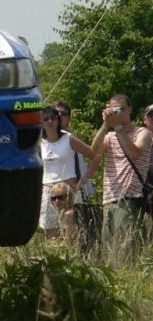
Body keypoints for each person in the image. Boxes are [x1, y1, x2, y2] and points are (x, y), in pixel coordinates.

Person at [90, 94, 152, 261]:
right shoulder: (110, 136)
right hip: (109, 199)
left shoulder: (143, 133)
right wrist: (105, 125)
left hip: (130, 198)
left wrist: (117, 127)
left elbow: (134, 153)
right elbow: (94, 151)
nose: (118, 113)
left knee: (125, 254)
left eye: (121, 109)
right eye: (114, 110)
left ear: (130, 110)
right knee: (109, 253)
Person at [39, 106, 96, 239]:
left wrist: (83, 180)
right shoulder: (41, 143)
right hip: (49, 192)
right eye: (46, 119)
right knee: (51, 233)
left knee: (72, 232)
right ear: (41, 123)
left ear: (58, 121)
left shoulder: (68, 138)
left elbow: (95, 156)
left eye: (53, 118)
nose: (50, 122)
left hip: (69, 189)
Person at [55, 100, 100, 253]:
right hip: (55, 195)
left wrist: (82, 181)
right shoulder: (46, 140)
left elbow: (95, 156)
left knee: (77, 234)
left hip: (76, 193)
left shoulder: (71, 138)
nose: (59, 117)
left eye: (63, 114)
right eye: (56, 114)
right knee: (57, 233)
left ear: (69, 118)